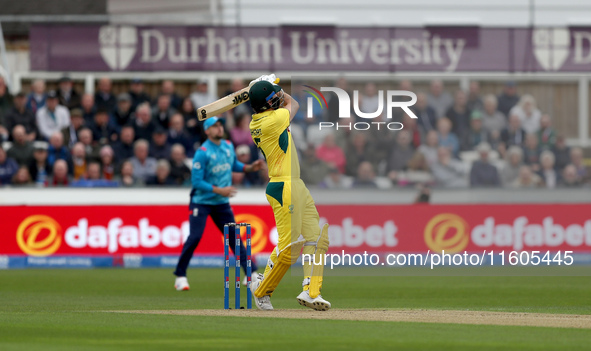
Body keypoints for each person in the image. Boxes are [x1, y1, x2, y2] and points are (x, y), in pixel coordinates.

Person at [247, 78, 331, 311]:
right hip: (283, 186)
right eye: (272, 98)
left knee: (316, 237)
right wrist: (273, 86)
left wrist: (264, 85)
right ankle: (261, 290)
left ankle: (311, 290)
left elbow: (281, 102)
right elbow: (292, 102)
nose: (276, 99)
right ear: (265, 105)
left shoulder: (262, 118)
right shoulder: (273, 119)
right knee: (290, 246)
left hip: (296, 184)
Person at [173, 116, 262, 291]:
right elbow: (197, 181)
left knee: (234, 238)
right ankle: (180, 276)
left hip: (221, 202)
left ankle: (250, 273)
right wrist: (219, 190)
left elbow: (233, 165)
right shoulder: (203, 152)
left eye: (220, 125)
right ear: (207, 131)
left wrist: (249, 168)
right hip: (201, 202)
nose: (219, 128)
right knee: (195, 237)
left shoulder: (228, 146)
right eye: (214, 126)